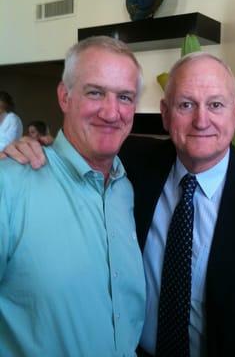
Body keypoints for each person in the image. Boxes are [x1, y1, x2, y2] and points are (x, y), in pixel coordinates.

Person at [3, 52, 235, 357]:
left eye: (215, 105)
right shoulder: (131, 162)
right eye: (186, 104)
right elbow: (80, 147)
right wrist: (22, 152)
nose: (201, 120)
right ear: (165, 113)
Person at [0, 36, 146, 357]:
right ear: (64, 97)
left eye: (124, 97)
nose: (111, 112)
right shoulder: (9, 184)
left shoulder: (125, 188)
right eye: (95, 92)